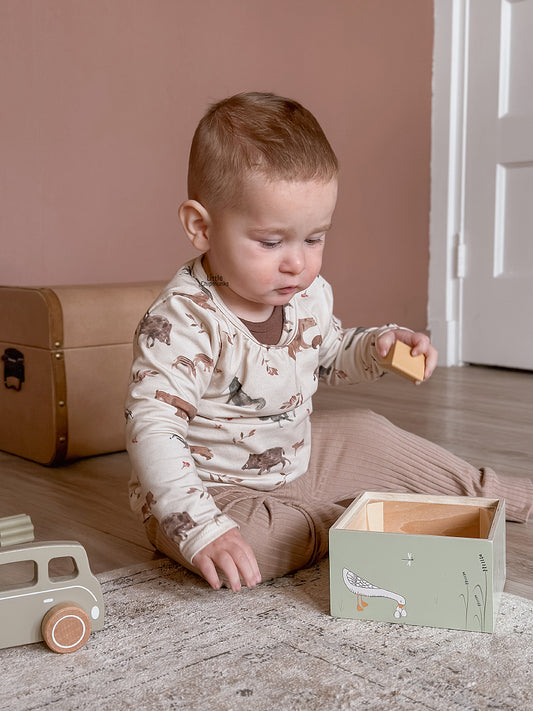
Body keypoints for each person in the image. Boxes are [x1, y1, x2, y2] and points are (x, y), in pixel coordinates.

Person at [125, 92, 532, 593]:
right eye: (271, 242)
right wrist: (203, 528)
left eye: (314, 239)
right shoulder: (184, 319)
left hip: (296, 458)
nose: (297, 263)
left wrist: (379, 346)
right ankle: (347, 523)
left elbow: (329, 353)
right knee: (252, 546)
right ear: (201, 227)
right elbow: (153, 427)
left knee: (370, 432)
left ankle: (497, 493)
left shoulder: (306, 292)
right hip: (210, 493)